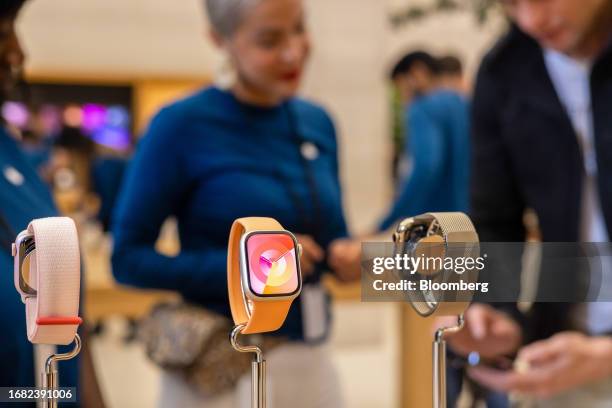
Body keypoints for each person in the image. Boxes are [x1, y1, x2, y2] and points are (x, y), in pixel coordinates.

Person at [111, 0, 355, 406]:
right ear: (220, 40)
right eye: (269, 40)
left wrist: (348, 255)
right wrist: (255, 267)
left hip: (309, 357)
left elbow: (329, 240)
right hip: (221, 368)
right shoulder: (181, 125)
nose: (294, 51)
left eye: (299, 29)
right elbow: (128, 259)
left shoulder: (318, 123)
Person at [441, 0, 612, 405]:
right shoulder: (504, 71)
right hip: (565, 354)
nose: (532, 19)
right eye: (511, 2)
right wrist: (496, 311)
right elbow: (495, 219)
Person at [0, 0, 81, 403]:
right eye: (2, 34)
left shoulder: (12, 150)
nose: (18, 53)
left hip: (49, 388)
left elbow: (71, 308)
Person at [377, 51, 471, 232]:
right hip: (468, 221)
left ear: (418, 72)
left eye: (401, 88)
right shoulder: (464, 104)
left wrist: (386, 221)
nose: (403, 98)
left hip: (433, 226)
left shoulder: (422, 108)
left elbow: (425, 167)